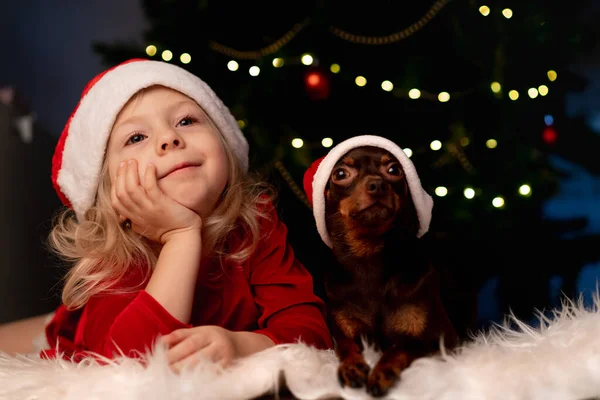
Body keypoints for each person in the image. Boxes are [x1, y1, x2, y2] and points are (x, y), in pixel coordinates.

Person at [3, 58, 332, 369]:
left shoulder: (255, 222)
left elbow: (311, 336)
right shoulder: (117, 252)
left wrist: (241, 347)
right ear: (108, 191)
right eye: (136, 137)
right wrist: (181, 236)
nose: (169, 138)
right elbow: (127, 364)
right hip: (85, 329)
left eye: (186, 121)